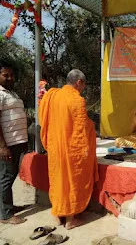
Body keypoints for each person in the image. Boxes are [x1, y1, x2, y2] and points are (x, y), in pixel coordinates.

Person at [39, 69, 99, 230]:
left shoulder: (52, 95)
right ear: (79, 82)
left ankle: (58, 217)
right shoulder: (76, 100)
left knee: (57, 181)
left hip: (54, 148)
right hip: (70, 150)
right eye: (83, 85)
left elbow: (42, 116)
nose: (83, 89)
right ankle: (71, 220)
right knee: (71, 183)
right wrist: (89, 137)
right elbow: (81, 129)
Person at [0, 59, 28, 224]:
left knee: (11, 176)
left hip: (19, 141)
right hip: (8, 144)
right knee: (5, 177)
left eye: (11, 75)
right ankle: (5, 215)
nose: (10, 78)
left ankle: (7, 206)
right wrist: (2, 146)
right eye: (5, 75)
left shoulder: (12, 93)